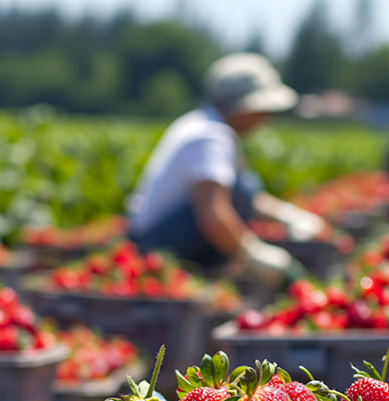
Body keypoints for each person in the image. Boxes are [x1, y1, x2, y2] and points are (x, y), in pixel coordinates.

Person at [126, 53, 328, 290]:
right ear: (243, 106)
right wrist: (252, 255)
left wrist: (289, 216)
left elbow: (247, 198)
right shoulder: (210, 136)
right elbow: (213, 215)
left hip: (153, 240)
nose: (266, 117)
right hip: (157, 248)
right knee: (239, 191)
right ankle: (197, 275)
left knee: (241, 188)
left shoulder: (205, 125)